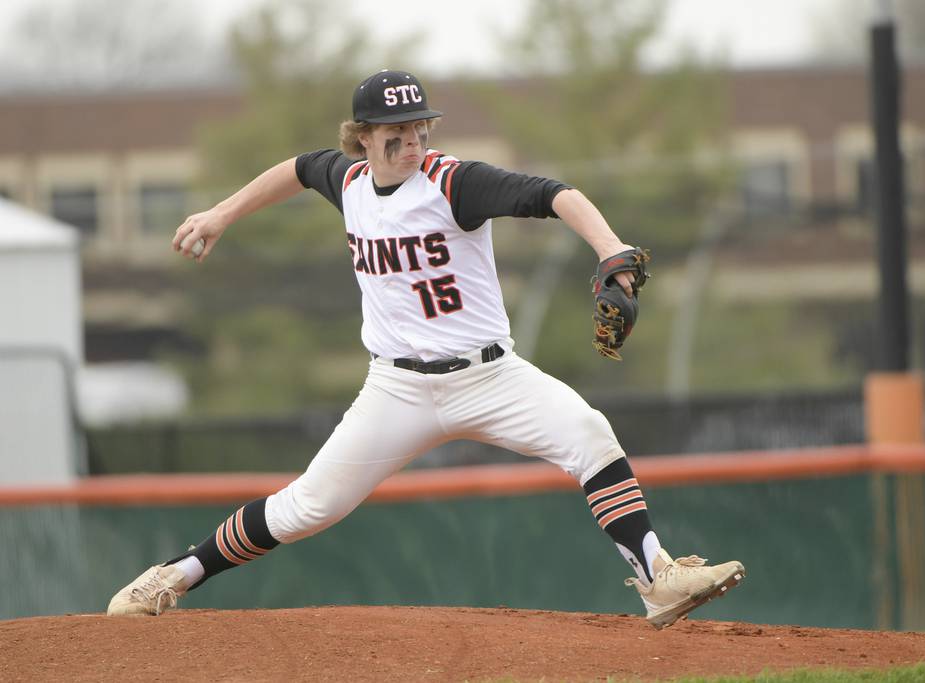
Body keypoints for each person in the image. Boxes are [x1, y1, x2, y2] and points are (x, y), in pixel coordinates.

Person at [106, 69, 745, 629]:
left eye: (419, 128)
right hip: (397, 389)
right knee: (308, 506)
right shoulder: (348, 181)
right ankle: (174, 575)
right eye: (395, 132)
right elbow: (298, 169)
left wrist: (612, 252)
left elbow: (554, 194)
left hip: (491, 377)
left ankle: (658, 575)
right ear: (361, 137)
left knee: (590, 433)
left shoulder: (452, 183)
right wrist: (220, 214)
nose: (411, 142)